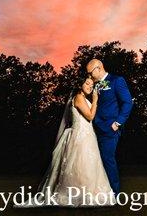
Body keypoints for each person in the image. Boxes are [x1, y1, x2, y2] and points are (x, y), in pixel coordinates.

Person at [15, 77, 115, 207]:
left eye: (92, 84)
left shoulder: (84, 99)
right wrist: (95, 100)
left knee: (88, 165)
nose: (90, 86)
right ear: (80, 84)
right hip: (80, 137)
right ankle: (76, 195)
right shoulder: (79, 97)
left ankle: (88, 194)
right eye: (87, 83)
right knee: (78, 165)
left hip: (88, 135)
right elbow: (90, 116)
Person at [86, 59, 133, 195]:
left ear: (99, 68)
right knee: (96, 160)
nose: (89, 76)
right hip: (94, 128)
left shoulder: (117, 80)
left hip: (110, 128)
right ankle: (100, 191)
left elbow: (127, 102)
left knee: (108, 159)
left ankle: (114, 194)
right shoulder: (95, 84)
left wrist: (117, 123)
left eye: (90, 73)